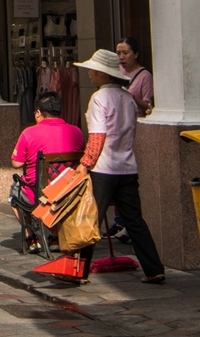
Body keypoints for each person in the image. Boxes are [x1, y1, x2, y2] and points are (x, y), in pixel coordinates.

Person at [74, 47, 164, 283]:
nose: (90, 74)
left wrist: (85, 163)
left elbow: (97, 136)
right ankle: (154, 269)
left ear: (102, 74)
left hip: (104, 168)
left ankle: (78, 271)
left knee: (91, 220)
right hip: (127, 166)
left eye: (93, 70)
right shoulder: (127, 98)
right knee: (134, 220)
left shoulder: (99, 98)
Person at [12, 91, 86, 247]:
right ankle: (54, 236)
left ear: (38, 112)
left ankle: (31, 237)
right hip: (70, 190)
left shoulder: (28, 133)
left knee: (14, 193)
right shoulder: (77, 132)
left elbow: (16, 163)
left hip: (40, 193)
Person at [116, 41, 154, 117]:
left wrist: (132, 97)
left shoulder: (145, 76)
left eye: (125, 53)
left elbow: (149, 106)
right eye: (118, 53)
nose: (121, 57)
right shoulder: (117, 70)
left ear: (136, 54)